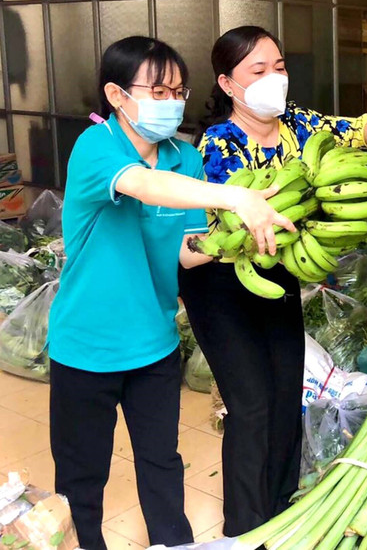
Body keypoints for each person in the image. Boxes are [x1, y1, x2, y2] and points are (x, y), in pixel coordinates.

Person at [48, 36, 293, 550]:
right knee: (82, 477)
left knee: (162, 463)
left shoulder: (184, 157)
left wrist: (238, 237)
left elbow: (187, 248)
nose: (172, 103)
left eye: (179, 91)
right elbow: (141, 185)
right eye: (158, 91)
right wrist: (235, 196)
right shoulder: (97, 146)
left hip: (155, 345)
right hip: (86, 347)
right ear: (117, 95)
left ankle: (174, 544)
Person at [178, 25, 367, 537]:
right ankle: (244, 526)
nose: (274, 79)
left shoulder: (301, 124)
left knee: (285, 395)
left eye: (278, 67)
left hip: (278, 277)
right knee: (251, 404)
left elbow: (357, 127)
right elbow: (222, 232)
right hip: (222, 283)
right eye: (257, 71)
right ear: (229, 84)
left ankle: (281, 508)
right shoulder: (217, 146)